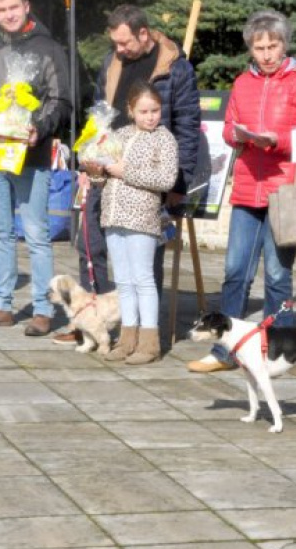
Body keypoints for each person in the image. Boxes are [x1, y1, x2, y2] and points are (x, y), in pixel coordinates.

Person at [186, 10, 296, 373]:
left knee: (279, 277)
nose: (266, 54)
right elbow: (229, 126)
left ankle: (280, 351)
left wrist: (275, 141)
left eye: (273, 45)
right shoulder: (242, 83)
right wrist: (237, 135)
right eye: (259, 47)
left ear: (284, 44)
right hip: (248, 187)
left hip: (286, 191)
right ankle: (226, 350)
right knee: (236, 271)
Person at [54, 3, 201, 346]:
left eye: (124, 43)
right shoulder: (112, 62)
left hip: (149, 177)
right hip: (106, 169)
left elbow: (188, 127)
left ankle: (143, 330)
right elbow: (99, 115)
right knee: (92, 245)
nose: (118, 49)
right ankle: (94, 323)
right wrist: (87, 160)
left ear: (144, 33)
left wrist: (180, 183)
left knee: (144, 259)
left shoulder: (175, 68)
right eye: (115, 43)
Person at [0, 0, 70, 336]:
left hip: (30, 156)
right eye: (0, 10)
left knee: (36, 234)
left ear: (26, 6)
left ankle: (42, 308)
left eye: (13, 7)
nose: (8, 14)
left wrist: (40, 128)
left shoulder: (49, 48)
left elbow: (61, 100)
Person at [82, 82, 179, 364]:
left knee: (143, 279)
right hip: (113, 215)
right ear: (131, 111)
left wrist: (127, 171)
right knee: (123, 281)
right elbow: (105, 177)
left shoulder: (165, 139)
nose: (150, 117)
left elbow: (166, 179)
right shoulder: (119, 135)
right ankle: (127, 338)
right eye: (144, 111)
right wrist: (96, 171)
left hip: (142, 217)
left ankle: (149, 343)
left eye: (155, 110)